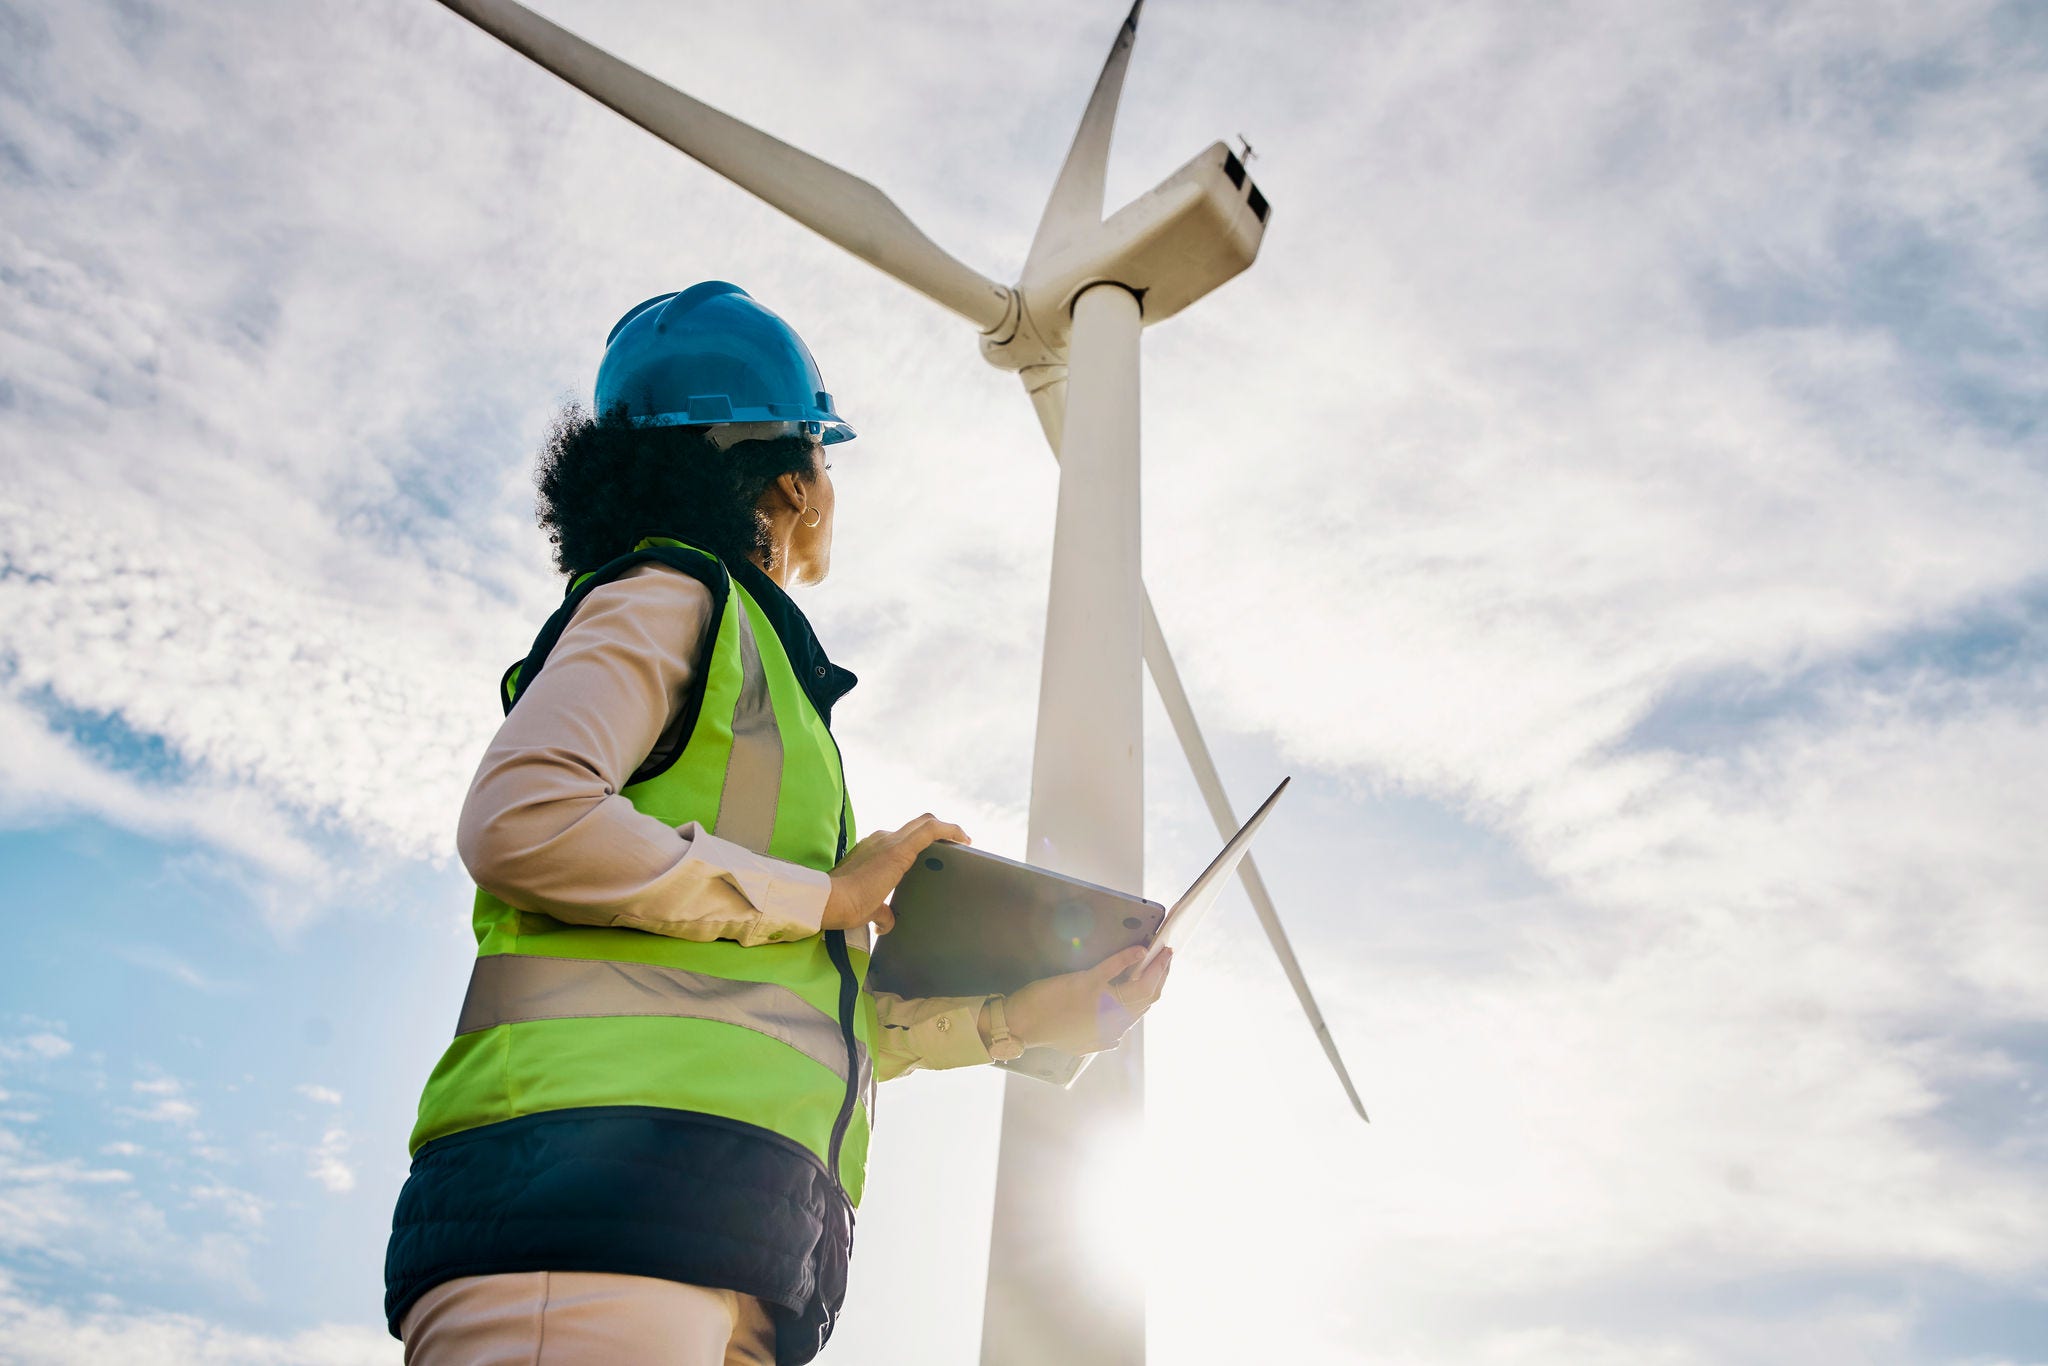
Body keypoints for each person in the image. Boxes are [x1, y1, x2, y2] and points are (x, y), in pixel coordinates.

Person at [383, 281, 1172, 1365]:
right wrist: (833, 896)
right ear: (790, 480)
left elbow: (782, 1017)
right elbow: (523, 816)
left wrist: (1023, 1017)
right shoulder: (667, 596)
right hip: (593, 1221)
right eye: (825, 459)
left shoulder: (761, 684)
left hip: (727, 1240)